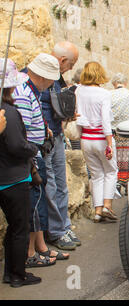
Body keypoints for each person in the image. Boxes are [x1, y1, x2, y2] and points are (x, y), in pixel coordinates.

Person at [14, 53, 70, 266]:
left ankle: (41, 248)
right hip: (32, 156)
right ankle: (31, 254)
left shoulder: (30, 89)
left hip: (36, 152)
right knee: (35, 205)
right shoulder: (24, 91)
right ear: (44, 77)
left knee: (38, 204)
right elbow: (25, 129)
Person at [0, 58, 41, 287]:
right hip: (13, 179)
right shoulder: (9, 112)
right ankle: (18, 275)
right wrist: (33, 148)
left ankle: (10, 273)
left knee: (13, 229)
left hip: (4, 179)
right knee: (20, 228)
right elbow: (17, 146)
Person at [40, 41, 81, 250]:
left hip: (56, 135)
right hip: (44, 139)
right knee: (51, 185)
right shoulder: (42, 75)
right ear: (62, 60)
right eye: (71, 64)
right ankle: (56, 231)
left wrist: (67, 114)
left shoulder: (56, 77)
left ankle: (63, 227)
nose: (71, 68)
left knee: (60, 183)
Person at [76, 62, 118, 223]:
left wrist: (81, 136)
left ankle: (97, 210)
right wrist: (109, 142)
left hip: (86, 138)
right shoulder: (104, 94)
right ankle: (107, 205)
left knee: (96, 175)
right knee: (111, 171)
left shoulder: (79, 91)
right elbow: (106, 120)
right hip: (101, 138)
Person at [110, 73, 129, 194]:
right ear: (126, 83)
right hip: (128, 133)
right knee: (128, 160)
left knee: (115, 158)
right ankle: (127, 183)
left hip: (113, 133)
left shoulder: (109, 95)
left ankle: (116, 182)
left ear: (114, 84)